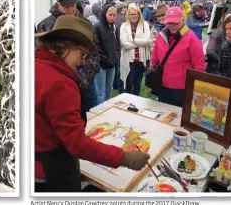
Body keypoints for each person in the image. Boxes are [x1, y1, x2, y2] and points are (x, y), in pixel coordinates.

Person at [34, 15, 150, 192]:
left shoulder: (35, 64)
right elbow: (77, 143)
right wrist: (124, 157)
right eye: (82, 54)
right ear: (66, 47)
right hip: (51, 169)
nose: (82, 62)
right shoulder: (59, 83)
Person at [36, 0, 100, 118]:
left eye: (73, 5)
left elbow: (94, 53)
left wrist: (84, 79)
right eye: (66, 7)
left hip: (85, 81)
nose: (70, 10)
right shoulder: (46, 25)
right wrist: (65, 80)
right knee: (67, 117)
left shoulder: (85, 23)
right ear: (58, 4)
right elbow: (43, 56)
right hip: (58, 84)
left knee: (93, 116)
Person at [151, 7, 206, 107]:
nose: (172, 26)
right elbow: (154, 59)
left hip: (181, 88)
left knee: (178, 117)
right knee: (162, 113)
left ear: (182, 20)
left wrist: (196, 86)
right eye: (169, 22)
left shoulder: (191, 37)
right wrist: (152, 79)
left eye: (175, 23)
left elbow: (199, 64)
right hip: (162, 84)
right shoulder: (161, 36)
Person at [120, 3, 151, 96]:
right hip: (128, 60)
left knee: (137, 84)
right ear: (128, 15)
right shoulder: (124, 26)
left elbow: (147, 41)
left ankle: (136, 104)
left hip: (140, 60)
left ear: (139, 14)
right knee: (128, 84)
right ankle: (127, 104)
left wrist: (134, 40)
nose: (134, 16)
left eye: (136, 14)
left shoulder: (144, 25)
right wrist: (138, 43)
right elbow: (124, 44)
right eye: (131, 14)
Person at [94, 5, 120, 103]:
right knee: (100, 90)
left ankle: (107, 108)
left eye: (114, 15)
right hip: (101, 64)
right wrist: (104, 59)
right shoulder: (97, 27)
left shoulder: (114, 27)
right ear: (105, 14)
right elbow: (96, 46)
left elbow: (117, 44)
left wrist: (116, 57)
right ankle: (99, 111)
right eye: (110, 15)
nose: (112, 17)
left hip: (112, 64)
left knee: (109, 88)